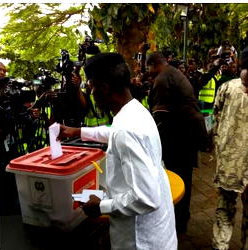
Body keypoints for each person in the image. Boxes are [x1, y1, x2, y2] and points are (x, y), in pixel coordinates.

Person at [57, 53, 177, 250]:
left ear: (104, 88)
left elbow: (146, 199)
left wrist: (100, 207)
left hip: (140, 240)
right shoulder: (135, 111)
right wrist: (78, 131)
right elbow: (114, 133)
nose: (92, 93)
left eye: (92, 87)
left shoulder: (126, 130)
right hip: (159, 233)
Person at [146, 51, 208, 234]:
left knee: (174, 180)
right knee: (185, 179)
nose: (148, 72)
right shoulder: (173, 73)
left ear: (154, 64)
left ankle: (176, 223)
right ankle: (181, 220)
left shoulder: (163, 79)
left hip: (177, 140)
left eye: (148, 67)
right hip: (187, 135)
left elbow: (160, 116)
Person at [211, 47, 248, 250]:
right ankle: (220, 246)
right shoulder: (227, 88)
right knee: (225, 207)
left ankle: (221, 246)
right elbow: (217, 118)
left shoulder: (227, 88)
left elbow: (217, 119)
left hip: (228, 162)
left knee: (225, 208)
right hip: (229, 163)